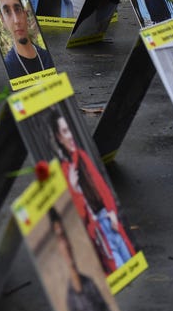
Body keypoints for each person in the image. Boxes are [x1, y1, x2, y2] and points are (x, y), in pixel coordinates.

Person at [50, 114, 135, 274]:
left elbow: (102, 189)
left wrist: (112, 213)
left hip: (110, 221)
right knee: (118, 270)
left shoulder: (81, 156)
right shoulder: (64, 170)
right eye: (65, 131)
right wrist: (74, 190)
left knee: (129, 265)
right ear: (59, 138)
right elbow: (76, 217)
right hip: (97, 231)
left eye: (70, 130)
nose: (70, 136)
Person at [48, 207, 115, 311]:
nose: (65, 244)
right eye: (60, 238)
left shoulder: (89, 283)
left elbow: (107, 310)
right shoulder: (71, 300)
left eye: (65, 235)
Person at [0, 0, 54, 79]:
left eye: (17, 9)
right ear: (2, 20)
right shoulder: (8, 68)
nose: (16, 20)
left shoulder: (47, 57)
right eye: (7, 12)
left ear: (25, 14)